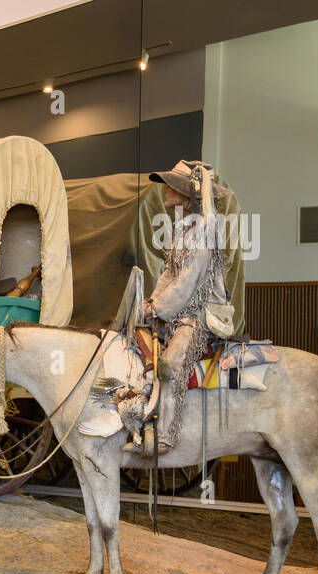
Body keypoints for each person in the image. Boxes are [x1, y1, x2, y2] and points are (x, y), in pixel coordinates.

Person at [124, 160, 234, 456]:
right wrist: (150, 302)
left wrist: (159, 308)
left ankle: (165, 436)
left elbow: (188, 281)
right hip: (180, 311)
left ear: (185, 196)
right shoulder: (182, 229)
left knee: (170, 365)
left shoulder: (205, 231)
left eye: (171, 187)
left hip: (199, 314)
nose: (165, 192)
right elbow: (169, 274)